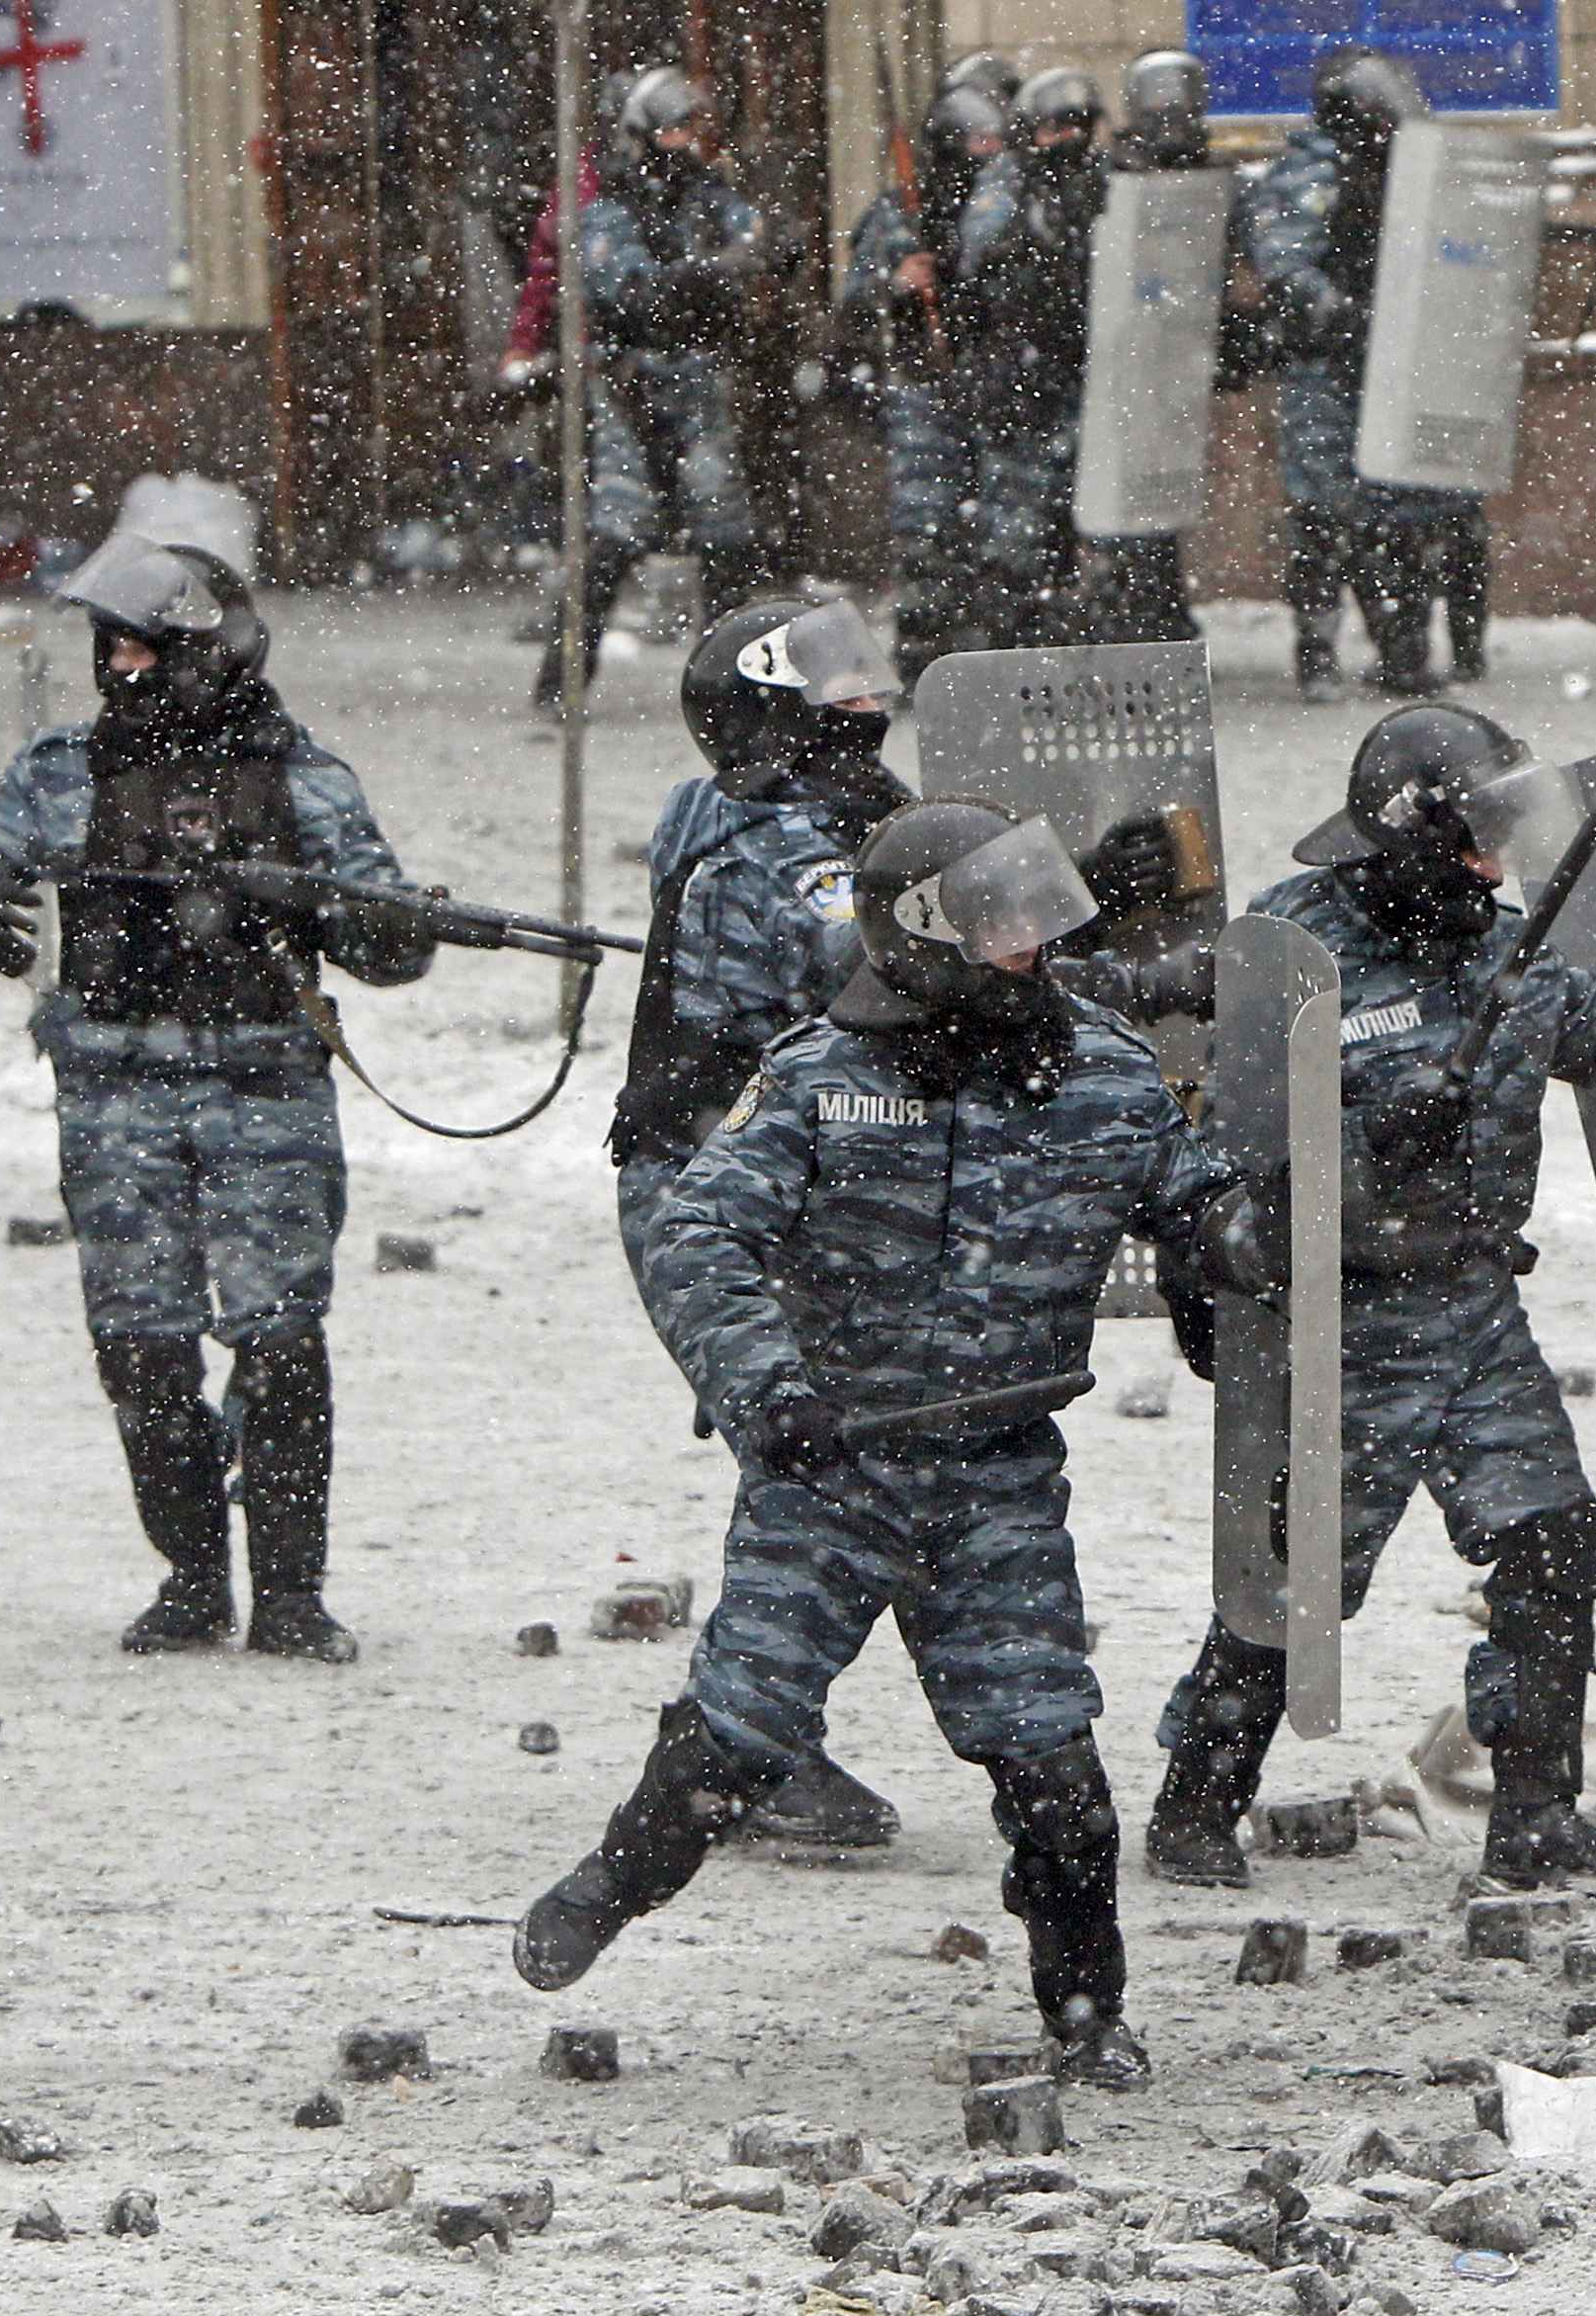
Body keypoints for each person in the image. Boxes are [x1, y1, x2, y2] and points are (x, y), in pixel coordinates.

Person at [516, 803, 1286, 2087]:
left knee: (1053, 1766)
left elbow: (1197, 1202)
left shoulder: (1100, 1071)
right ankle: (615, 1880)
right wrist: (770, 1393)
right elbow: (697, 1235)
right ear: (927, 935)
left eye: (1033, 914)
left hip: (997, 1478)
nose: (1030, 943)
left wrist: (1258, 1235)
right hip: (830, 1471)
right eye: (1000, 921)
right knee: (737, 1739)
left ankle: (1086, 2013)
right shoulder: (819, 1076)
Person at [1142, 705, 1596, 1891]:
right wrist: (1361, 1148)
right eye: (1471, 843)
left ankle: (1533, 1814)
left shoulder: (1504, 950)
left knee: (1555, 1541)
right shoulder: (1287, 957)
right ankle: (1194, 1803)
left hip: (1474, 1311)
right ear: (1405, 837)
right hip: (1340, 1325)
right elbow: (1222, 1202)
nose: (1494, 869)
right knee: (1295, 1579)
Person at [0, 535, 438, 1662]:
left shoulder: (305, 780)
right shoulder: (63, 772)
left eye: (142, 650)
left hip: (270, 1096)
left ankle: (290, 1592)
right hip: (113, 1101)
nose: (119, 669)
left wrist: (368, 919)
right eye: (111, 648)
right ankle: (191, 1578)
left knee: (281, 1344)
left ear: (207, 655)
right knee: (141, 1347)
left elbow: (391, 940)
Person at [610, 594, 918, 1850]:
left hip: (787, 1188)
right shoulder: (767, 852)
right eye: (834, 690)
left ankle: (743, 1738)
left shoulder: (838, 817)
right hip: (716, 1199)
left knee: (849, 1463)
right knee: (808, 1468)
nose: (866, 704)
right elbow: (885, 960)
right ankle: (743, 1751)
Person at [536, 66, 769, 713]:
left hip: (698, 381)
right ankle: (561, 679)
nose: (683, 143)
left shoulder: (707, 194)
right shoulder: (608, 209)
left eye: (689, 129)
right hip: (630, 384)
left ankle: (732, 681)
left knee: (724, 528)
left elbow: (757, 241)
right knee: (617, 530)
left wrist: (738, 260)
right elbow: (634, 293)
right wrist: (705, 274)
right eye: (671, 130)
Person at [1246, 47, 1475, 701]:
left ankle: (1403, 649)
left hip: (1393, 369)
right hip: (1326, 372)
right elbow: (1285, 263)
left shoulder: (1409, 165)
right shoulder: (1309, 173)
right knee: (1323, 515)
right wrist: (1342, 312)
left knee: (1403, 514)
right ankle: (1317, 651)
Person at [838, 78, 1005, 685]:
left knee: (996, 530)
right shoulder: (898, 213)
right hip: (924, 387)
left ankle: (989, 650)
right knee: (925, 526)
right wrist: (898, 283)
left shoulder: (1004, 203)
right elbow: (853, 305)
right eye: (975, 141)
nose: (985, 153)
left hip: (993, 385)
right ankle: (922, 652)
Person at [952, 67, 1107, 652]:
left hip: (1092, 382)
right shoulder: (1008, 182)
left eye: (1077, 126)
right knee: (1016, 538)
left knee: (1091, 538)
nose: (1067, 139)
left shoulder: (1103, 180)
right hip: (1023, 385)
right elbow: (980, 252)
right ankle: (1013, 646)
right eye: (1053, 128)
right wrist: (1035, 241)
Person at [1088, 49, 1218, 648]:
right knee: (1125, 494)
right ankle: (1127, 613)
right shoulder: (1111, 173)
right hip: (1126, 353)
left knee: (1164, 493)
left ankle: (1162, 610)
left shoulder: (1210, 174)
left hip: (1180, 355)